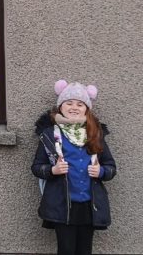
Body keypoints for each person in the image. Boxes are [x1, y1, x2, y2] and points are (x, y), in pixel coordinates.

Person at [32, 80, 116, 255]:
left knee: (85, 250)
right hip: (62, 205)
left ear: (86, 108)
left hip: (89, 205)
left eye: (80, 104)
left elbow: (111, 167)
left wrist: (101, 171)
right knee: (66, 249)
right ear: (60, 107)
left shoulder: (95, 133)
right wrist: (52, 170)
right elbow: (36, 167)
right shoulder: (49, 134)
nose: (74, 107)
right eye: (69, 103)